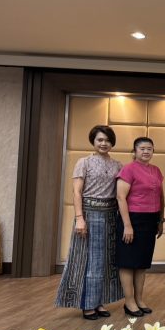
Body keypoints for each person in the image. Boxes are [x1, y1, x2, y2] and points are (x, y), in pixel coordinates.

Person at [55, 125, 123, 319]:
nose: (104, 143)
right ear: (93, 141)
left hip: (111, 216)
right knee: (89, 260)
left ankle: (99, 302)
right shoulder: (83, 162)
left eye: (107, 140)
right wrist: (79, 218)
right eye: (100, 140)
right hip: (89, 214)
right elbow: (76, 192)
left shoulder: (118, 165)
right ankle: (87, 303)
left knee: (106, 262)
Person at [116, 137, 164, 317]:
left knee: (142, 263)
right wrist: (127, 225)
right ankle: (129, 302)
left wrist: (160, 220)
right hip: (132, 219)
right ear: (135, 151)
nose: (146, 151)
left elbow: (160, 196)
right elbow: (121, 197)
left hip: (150, 220)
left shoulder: (156, 170)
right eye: (142, 148)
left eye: (149, 148)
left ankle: (139, 299)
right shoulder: (128, 169)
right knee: (128, 263)